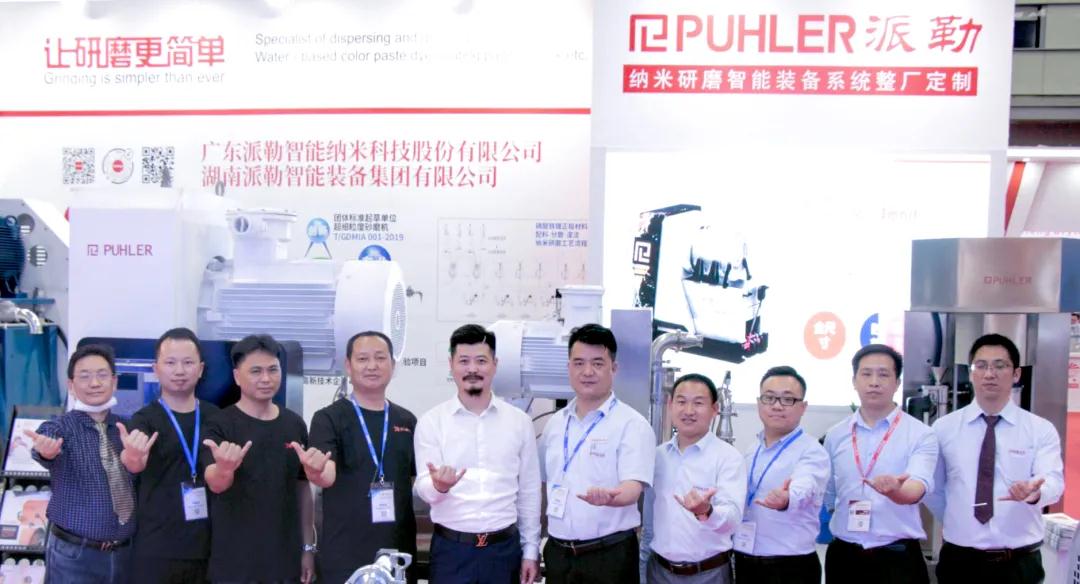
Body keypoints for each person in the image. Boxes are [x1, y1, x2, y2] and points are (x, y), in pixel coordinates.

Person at [927, 333, 1064, 584]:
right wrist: (958, 519)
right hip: (960, 562)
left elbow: (1054, 483)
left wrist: (1034, 493)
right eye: (981, 366)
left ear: (1016, 374)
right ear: (971, 373)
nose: (989, 374)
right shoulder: (943, 429)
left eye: (1000, 366)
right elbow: (933, 489)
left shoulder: (1039, 429)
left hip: (1019, 563)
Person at [414, 324, 541, 584]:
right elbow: (424, 489)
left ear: (495, 364)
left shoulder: (519, 422)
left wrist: (530, 550)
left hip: (503, 552)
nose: (472, 369)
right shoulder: (432, 422)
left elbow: (529, 491)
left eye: (481, 361)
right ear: (451, 365)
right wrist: (439, 486)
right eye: (464, 361)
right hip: (452, 552)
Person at [539, 324, 655, 584]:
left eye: (598, 363)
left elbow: (632, 489)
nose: (587, 372)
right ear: (569, 367)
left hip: (609, 555)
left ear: (614, 368)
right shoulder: (555, 424)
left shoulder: (632, 425)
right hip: (558, 553)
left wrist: (611, 498)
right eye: (579, 363)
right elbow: (544, 484)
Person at [202, 334, 318, 584]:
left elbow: (302, 489)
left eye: (272, 369)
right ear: (237, 376)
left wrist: (308, 548)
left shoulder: (294, 424)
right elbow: (215, 483)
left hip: (285, 560)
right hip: (235, 563)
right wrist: (225, 469)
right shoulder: (219, 424)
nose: (266, 378)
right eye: (256, 371)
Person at [308, 331, 418, 583]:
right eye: (362, 359)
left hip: (398, 552)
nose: (372, 366)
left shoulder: (406, 420)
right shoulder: (328, 419)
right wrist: (315, 471)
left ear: (392, 365)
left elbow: (414, 480)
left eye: (380, 358)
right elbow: (326, 475)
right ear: (348, 365)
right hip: (345, 553)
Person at [823, 344, 938, 584]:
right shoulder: (835, 435)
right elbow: (830, 494)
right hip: (845, 557)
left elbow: (917, 487)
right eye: (866, 374)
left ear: (897, 383)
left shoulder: (921, 434)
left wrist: (896, 491)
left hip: (897, 560)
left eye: (883, 374)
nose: (874, 382)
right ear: (854, 381)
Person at [118, 328, 221, 584]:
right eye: (171, 363)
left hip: (208, 547)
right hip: (156, 549)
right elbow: (133, 464)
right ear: (156, 369)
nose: (179, 371)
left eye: (188, 363)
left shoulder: (217, 417)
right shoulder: (143, 419)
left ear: (200, 369)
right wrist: (133, 457)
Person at [28, 344, 135, 584]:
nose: (94, 383)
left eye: (102, 375)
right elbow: (46, 440)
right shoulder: (61, 427)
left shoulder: (126, 429)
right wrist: (45, 450)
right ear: (71, 385)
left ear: (114, 381)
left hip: (124, 554)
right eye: (84, 376)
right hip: (74, 556)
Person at [734, 366, 830, 584]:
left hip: (789, 567)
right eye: (769, 398)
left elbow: (806, 484)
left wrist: (787, 498)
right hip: (746, 560)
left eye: (788, 399)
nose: (777, 406)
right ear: (759, 403)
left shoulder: (812, 451)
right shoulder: (752, 449)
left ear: (803, 407)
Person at [647, 373, 745, 584]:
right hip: (659, 571)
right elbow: (648, 520)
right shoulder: (658, 456)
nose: (689, 411)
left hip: (708, 574)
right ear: (670, 405)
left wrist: (706, 512)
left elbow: (733, 520)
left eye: (698, 403)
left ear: (715, 409)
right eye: (681, 402)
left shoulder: (728, 457)